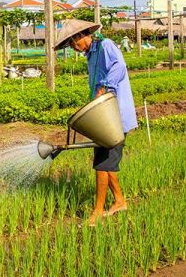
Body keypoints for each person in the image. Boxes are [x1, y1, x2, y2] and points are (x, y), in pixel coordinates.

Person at [54, 19, 138, 225]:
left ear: (81, 36)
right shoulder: (90, 55)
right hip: (104, 117)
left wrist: (105, 87)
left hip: (115, 118)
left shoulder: (105, 45)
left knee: (102, 165)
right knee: (106, 163)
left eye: (74, 43)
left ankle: (98, 211)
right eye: (71, 46)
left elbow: (120, 66)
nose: (74, 48)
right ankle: (119, 201)